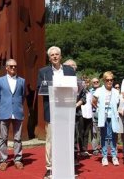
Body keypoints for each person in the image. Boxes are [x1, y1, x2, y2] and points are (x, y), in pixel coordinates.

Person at [37, 46, 76, 179]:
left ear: (61, 56)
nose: (54, 56)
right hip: (52, 110)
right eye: (52, 55)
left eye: (57, 54)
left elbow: (75, 87)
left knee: (66, 140)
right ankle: (49, 168)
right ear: (49, 58)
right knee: (51, 141)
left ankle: (66, 165)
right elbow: (40, 88)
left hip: (67, 110)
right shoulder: (43, 72)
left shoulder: (70, 71)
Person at [0, 59, 26, 171]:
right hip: (4, 112)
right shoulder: (0, 80)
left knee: (18, 138)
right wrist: (4, 106)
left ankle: (18, 159)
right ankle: (3, 160)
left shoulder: (22, 81)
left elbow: (22, 96)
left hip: (17, 111)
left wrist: (16, 106)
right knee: (3, 138)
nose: (13, 68)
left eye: (15, 66)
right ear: (6, 68)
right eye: (11, 66)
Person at [92, 71, 121, 167]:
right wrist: (99, 109)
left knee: (113, 136)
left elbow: (118, 104)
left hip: (113, 116)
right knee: (104, 136)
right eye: (107, 80)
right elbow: (94, 101)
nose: (109, 82)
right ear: (104, 81)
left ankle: (114, 156)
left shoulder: (116, 92)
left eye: (111, 80)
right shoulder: (99, 91)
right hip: (103, 116)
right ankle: (104, 156)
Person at [63, 59, 86, 166]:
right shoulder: (60, 80)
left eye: (73, 66)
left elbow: (83, 97)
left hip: (76, 113)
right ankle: (63, 157)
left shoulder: (80, 82)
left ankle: (74, 157)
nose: (72, 67)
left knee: (75, 136)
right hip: (62, 113)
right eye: (69, 66)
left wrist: (75, 105)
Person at [79, 77, 94, 157]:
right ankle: (81, 149)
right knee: (81, 132)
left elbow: (91, 103)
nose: (86, 84)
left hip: (89, 114)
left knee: (86, 133)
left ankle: (85, 149)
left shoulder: (90, 92)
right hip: (82, 114)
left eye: (87, 82)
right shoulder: (80, 92)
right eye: (84, 82)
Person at [90, 78, 101, 155]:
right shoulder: (90, 92)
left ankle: (102, 147)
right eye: (94, 82)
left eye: (97, 82)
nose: (96, 83)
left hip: (102, 114)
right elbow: (90, 102)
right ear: (92, 83)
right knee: (94, 132)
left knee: (102, 131)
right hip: (93, 113)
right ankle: (95, 149)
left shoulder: (103, 90)